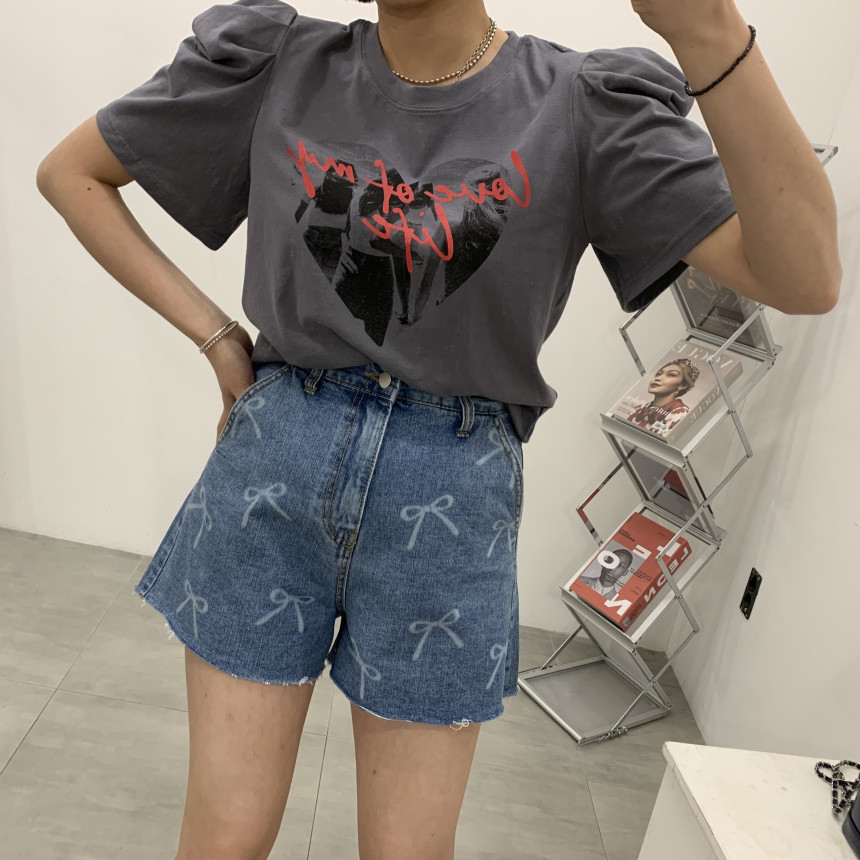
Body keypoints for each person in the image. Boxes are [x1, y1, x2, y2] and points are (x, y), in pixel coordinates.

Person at [34, 0, 840, 857]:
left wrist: (708, 28)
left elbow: (804, 276)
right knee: (222, 840)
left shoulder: (580, 102)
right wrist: (216, 337)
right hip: (273, 466)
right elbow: (71, 174)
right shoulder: (277, 63)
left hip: (451, 501)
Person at [627, 358, 700, 437]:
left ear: (682, 385)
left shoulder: (680, 414)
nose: (658, 378)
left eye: (671, 375)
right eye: (658, 374)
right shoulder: (640, 408)